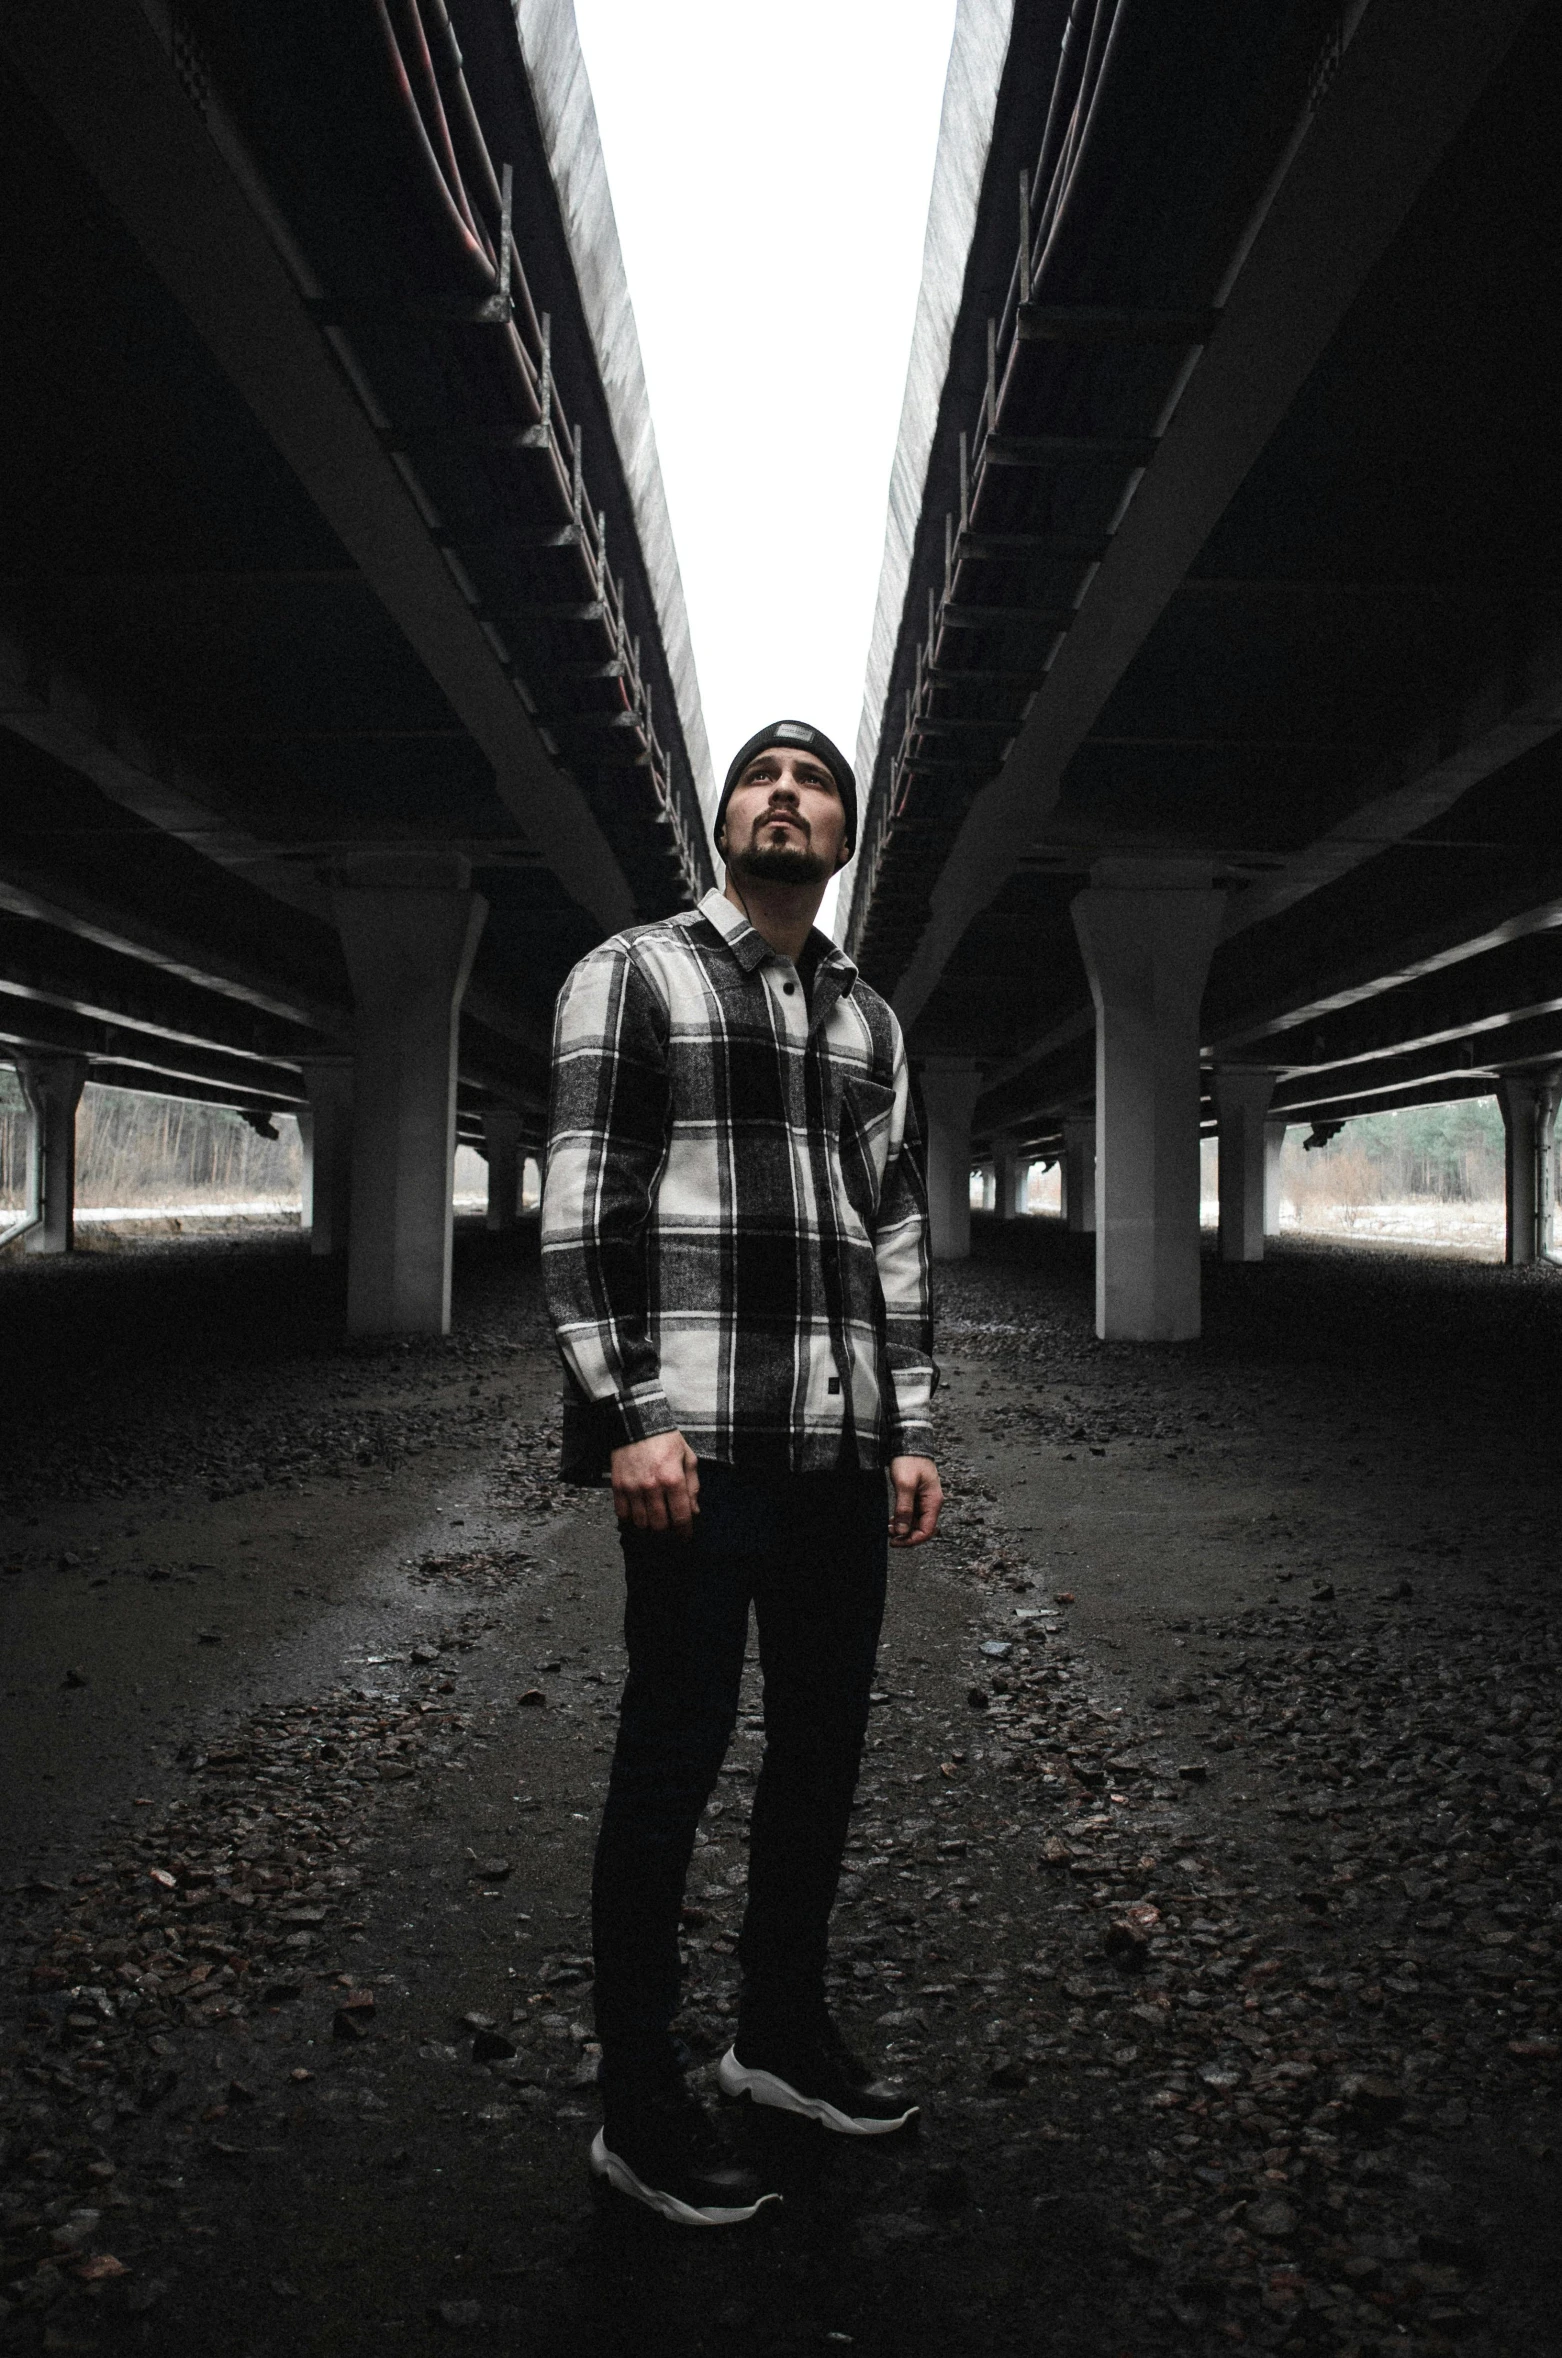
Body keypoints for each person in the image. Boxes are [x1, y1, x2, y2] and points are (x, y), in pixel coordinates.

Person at [542, 718, 942, 2225]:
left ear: (841, 834)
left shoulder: (869, 1024)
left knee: (822, 1752)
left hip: (838, 1449)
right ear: (725, 819)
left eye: (814, 781)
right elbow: (589, 1203)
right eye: (762, 777)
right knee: (671, 1758)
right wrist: (626, 1409)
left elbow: (894, 1235)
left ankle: (775, 2034)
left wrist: (910, 1424)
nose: (786, 794)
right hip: (696, 1448)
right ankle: (636, 2099)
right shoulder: (633, 972)